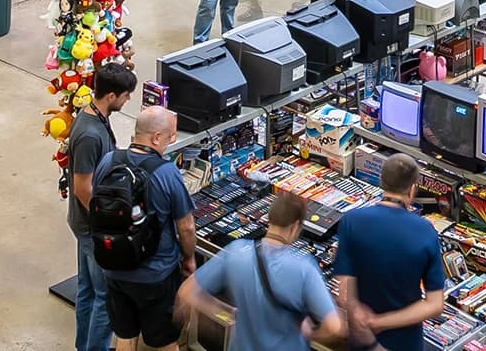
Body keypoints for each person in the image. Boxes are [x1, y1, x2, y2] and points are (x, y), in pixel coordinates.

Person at [179, 191, 345, 351]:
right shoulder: (303, 268)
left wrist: (228, 313)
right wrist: (309, 334)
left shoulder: (237, 252)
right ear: (295, 227)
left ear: (268, 219)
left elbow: (187, 292)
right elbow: (335, 327)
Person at [103, 106, 198, 351]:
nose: (171, 142)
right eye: (170, 136)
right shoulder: (166, 172)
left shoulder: (109, 161)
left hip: (114, 267)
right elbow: (186, 226)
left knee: (125, 335)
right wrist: (189, 259)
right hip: (155, 275)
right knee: (165, 341)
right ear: (156, 137)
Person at [333, 155, 447, 351]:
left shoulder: (351, 221)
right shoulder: (425, 232)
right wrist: (379, 322)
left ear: (381, 181)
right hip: (405, 342)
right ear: (412, 189)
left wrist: (362, 318)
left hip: (362, 339)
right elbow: (435, 304)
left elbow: (344, 293)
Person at [68, 62, 138, 351]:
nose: (128, 99)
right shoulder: (89, 134)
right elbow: (83, 187)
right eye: (126, 95)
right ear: (111, 96)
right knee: (102, 295)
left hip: (86, 224)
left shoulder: (95, 116)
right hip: (91, 227)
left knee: (86, 289)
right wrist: (104, 225)